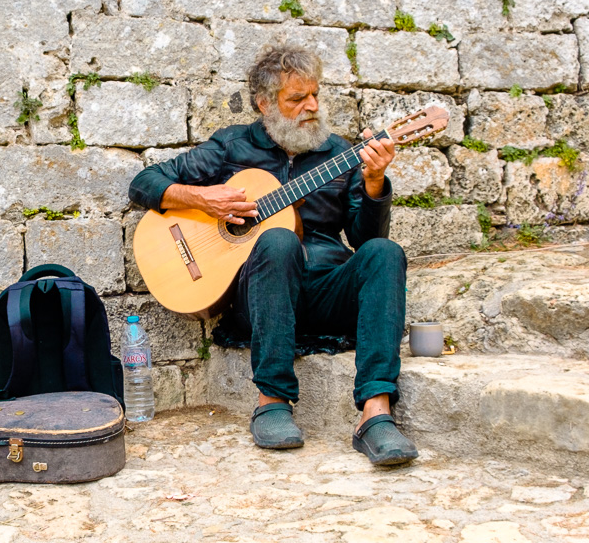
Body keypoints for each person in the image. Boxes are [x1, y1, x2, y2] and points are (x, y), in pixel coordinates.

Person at [128, 44, 417, 466]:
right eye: (297, 99)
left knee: (385, 252)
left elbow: (365, 237)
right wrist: (202, 198)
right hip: (258, 297)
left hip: (323, 290)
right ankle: (272, 401)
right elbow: (145, 182)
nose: (311, 106)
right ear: (265, 104)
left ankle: (376, 414)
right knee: (278, 241)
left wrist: (374, 181)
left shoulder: (340, 153)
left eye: (315, 95)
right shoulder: (231, 147)